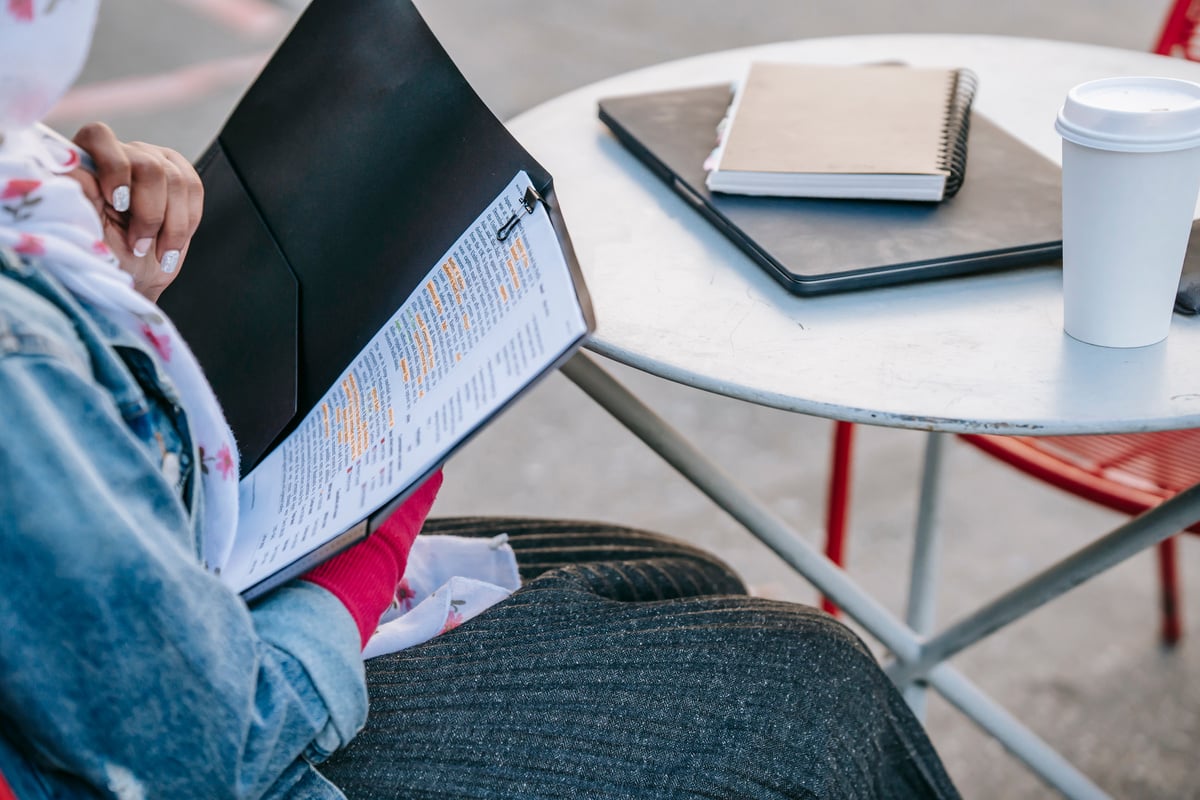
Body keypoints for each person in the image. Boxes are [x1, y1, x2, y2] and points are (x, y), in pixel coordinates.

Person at [0, 4, 962, 799]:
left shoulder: (26, 194)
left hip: (167, 591)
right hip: (199, 742)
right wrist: (379, 508)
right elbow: (216, 747)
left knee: (674, 572)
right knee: (810, 686)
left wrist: (117, 305)